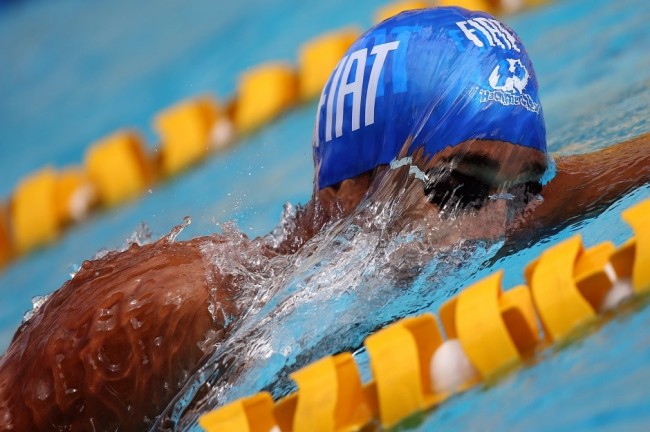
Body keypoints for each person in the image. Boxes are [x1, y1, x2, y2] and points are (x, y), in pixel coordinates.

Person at [1, 7, 648, 431]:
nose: (497, 229)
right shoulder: (174, 312)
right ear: (350, 189)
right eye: (458, 189)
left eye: (522, 190)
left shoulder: (494, 212)